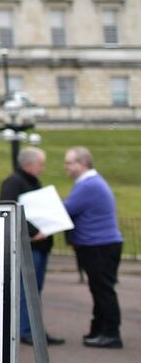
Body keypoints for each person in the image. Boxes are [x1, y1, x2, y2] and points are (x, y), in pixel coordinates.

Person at [0, 147, 63, 346]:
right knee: (28, 291)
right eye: (40, 164)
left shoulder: (31, 182)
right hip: (30, 245)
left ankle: (34, 329)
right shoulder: (13, 182)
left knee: (35, 291)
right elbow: (9, 208)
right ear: (28, 164)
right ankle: (27, 330)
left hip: (40, 245)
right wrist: (34, 231)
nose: (42, 169)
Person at [63, 146, 124, 349]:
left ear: (82, 164)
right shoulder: (89, 183)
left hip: (99, 245)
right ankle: (99, 330)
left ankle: (111, 333)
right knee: (100, 290)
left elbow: (66, 210)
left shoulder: (88, 185)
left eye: (69, 163)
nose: (66, 167)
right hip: (100, 244)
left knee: (103, 291)